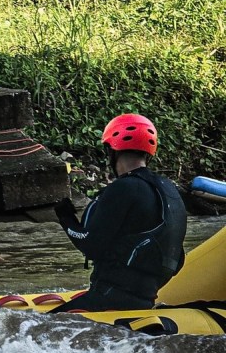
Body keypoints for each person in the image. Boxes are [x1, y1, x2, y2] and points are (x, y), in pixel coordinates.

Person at [52, 113, 187, 312]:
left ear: (111, 150)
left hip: (110, 299)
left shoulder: (123, 188)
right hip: (145, 298)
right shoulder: (168, 189)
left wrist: (65, 216)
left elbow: (89, 244)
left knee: (27, 330)